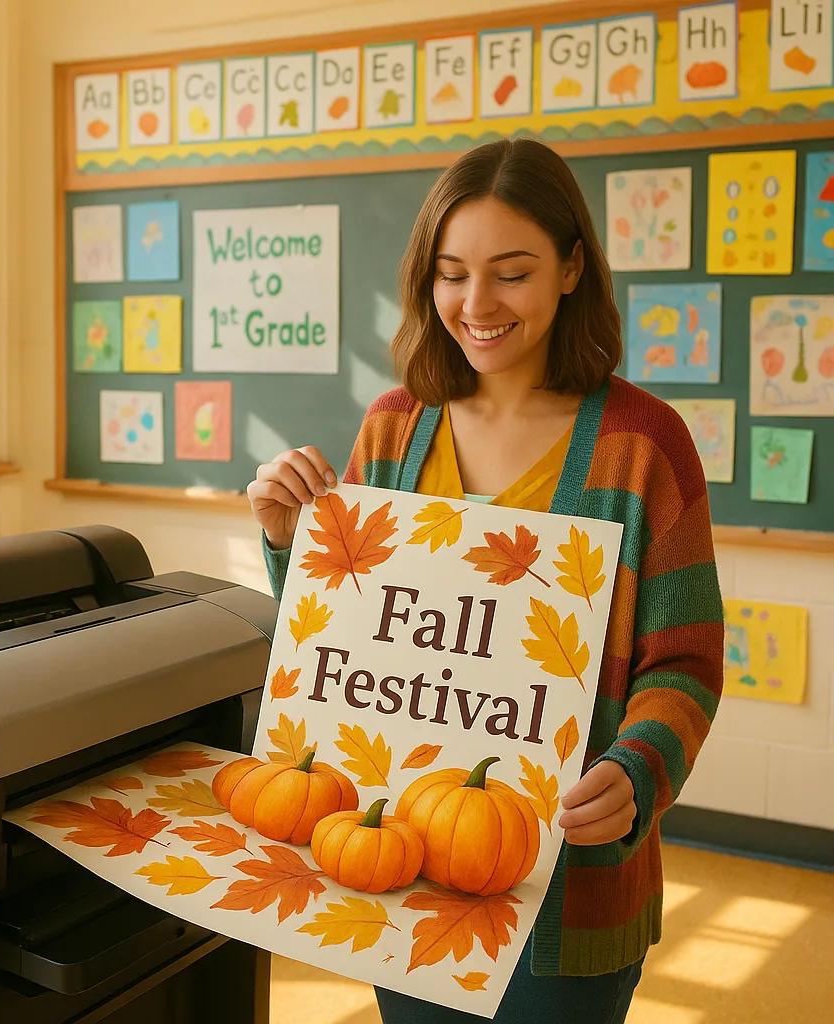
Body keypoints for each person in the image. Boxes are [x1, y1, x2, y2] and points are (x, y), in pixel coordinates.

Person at [247, 139, 724, 1024]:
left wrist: (639, 768)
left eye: (511, 273)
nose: (476, 305)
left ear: (573, 266)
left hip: (569, 889)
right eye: (451, 273)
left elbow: (686, 662)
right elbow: (352, 646)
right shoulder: (394, 429)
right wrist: (291, 544)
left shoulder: (642, 445)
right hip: (402, 866)